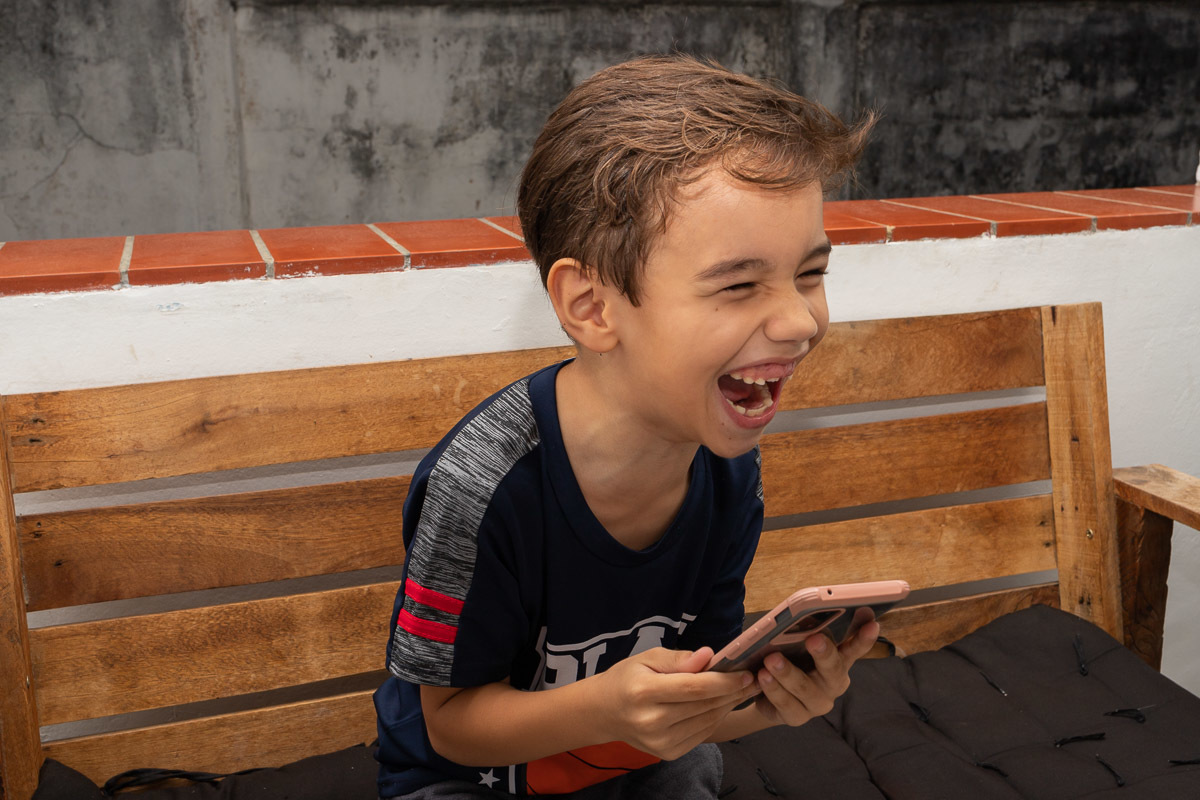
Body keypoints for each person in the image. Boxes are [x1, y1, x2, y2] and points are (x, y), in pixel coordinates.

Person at [373, 53, 877, 799]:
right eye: (739, 284)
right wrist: (604, 707)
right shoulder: (482, 484)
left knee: (690, 767)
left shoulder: (727, 466)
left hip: (635, 763)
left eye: (810, 274)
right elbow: (448, 724)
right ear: (592, 308)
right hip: (472, 781)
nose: (800, 319)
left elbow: (692, 705)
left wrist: (767, 702)